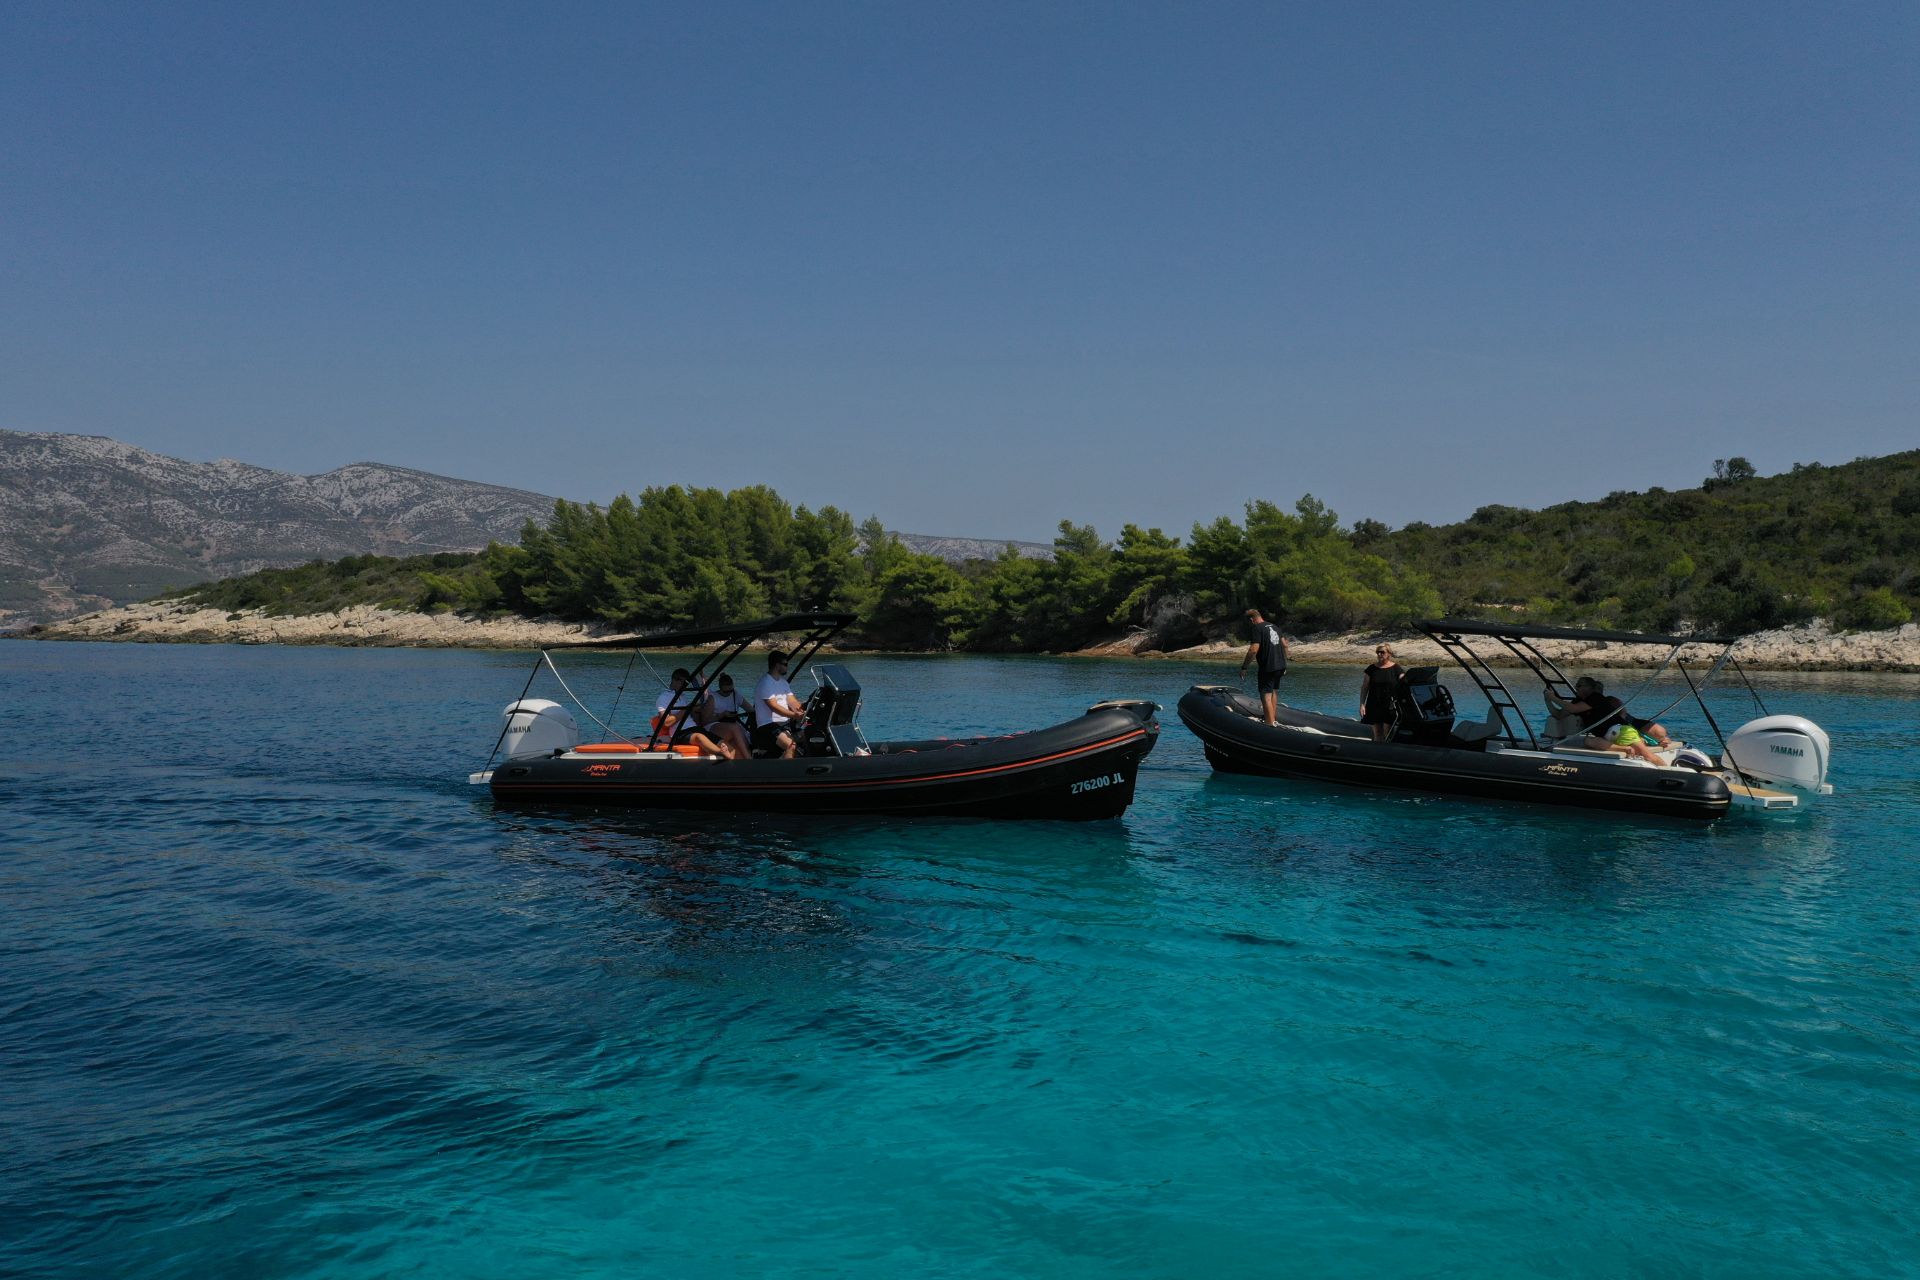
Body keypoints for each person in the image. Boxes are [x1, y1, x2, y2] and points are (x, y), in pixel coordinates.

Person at [1547, 676, 1673, 749]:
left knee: (1660, 732)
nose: (1598, 692)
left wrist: (1552, 697)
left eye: (1599, 689)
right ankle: (1642, 741)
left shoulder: (1608, 699)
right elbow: (1561, 713)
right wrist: (1548, 699)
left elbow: (1623, 712)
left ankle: (1659, 739)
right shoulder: (1579, 703)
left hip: (1624, 723)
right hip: (1612, 729)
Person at [654, 668, 736, 759]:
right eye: (683, 683)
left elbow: (690, 715)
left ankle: (729, 762)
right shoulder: (664, 697)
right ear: (674, 680)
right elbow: (666, 723)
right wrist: (688, 709)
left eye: (686, 683)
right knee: (699, 737)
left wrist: (695, 710)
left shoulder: (682, 696)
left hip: (694, 728)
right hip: (679, 733)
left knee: (731, 749)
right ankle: (720, 752)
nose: (685, 686)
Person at [752, 650, 809, 760]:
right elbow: (774, 707)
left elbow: (792, 702)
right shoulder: (765, 683)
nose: (787, 667)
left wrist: (803, 710)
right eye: (785, 664)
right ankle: (788, 770)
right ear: (777, 665)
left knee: (809, 736)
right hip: (768, 725)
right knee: (791, 745)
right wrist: (794, 715)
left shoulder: (784, 683)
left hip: (784, 723)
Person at [1239, 608, 1289, 726]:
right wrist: (1285, 663)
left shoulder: (1257, 628)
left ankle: (1269, 724)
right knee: (1273, 692)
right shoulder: (1275, 626)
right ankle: (1272, 718)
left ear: (1251, 620)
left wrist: (1244, 667)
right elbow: (1285, 645)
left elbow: (1253, 650)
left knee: (1265, 696)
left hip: (1268, 667)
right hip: (1280, 666)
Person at [699, 671, 752, 760]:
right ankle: (749, 759)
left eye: (730, 691)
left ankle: (742, 763)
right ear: (720, 688)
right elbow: (705, 720)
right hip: (713, 726)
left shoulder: (735, 695)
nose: (728, 694)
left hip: (732, 726)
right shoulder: (713, 697)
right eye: (725, 692)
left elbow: (750, 709)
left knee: (741, 742)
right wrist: (722, 715)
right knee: (735, 728)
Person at [1359, 643, 1405, 743]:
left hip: (1390, 705)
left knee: (1388, 733)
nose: (1379, 654)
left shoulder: (1396, 668)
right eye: (1377, 652)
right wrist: (1362, 704)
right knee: (1377, 733)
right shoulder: (1371, 669)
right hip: (1374, 704)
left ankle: (1388, 751)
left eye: (1382, 652)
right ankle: (1377, 751)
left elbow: (1404, 683)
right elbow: (1365, 687)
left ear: (1389, 654)